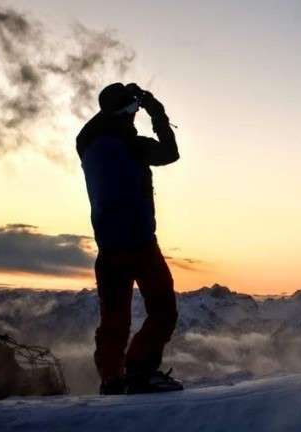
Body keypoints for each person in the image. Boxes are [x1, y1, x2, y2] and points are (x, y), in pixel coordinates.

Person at [77, 82, 182, 395]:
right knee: (163, 310)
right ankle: (140, 372)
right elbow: (170, 153)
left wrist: (124, 103)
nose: (135, 115)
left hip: (107, 248)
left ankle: (111, 379)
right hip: (140, 243)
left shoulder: (85, 142)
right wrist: (155, 108)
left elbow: (100, 123)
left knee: (114, 320)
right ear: (127, 110)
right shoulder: (132, 144)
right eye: (133, 109)